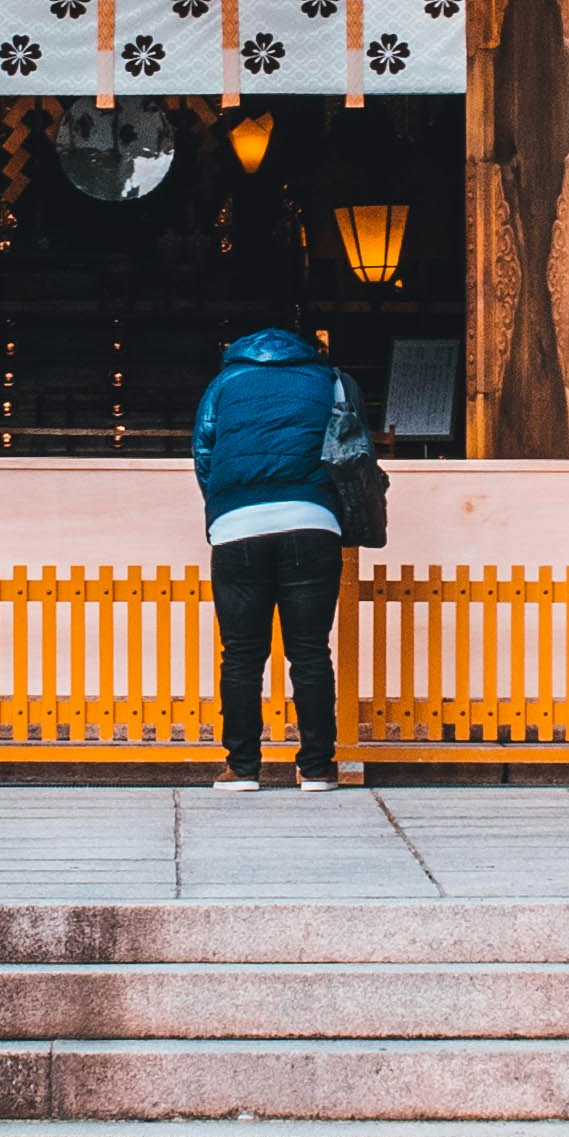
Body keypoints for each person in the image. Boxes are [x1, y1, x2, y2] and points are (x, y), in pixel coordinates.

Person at [189, 324, 366, 791]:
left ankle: (242, 767)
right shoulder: (329, 380)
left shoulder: (225, 384)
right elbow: (352, 448)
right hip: (312, 520)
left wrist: (226, 503)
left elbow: (204, 452)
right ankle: (315, 768)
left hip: (237, 526)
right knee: (309, 651)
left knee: (242, 655)